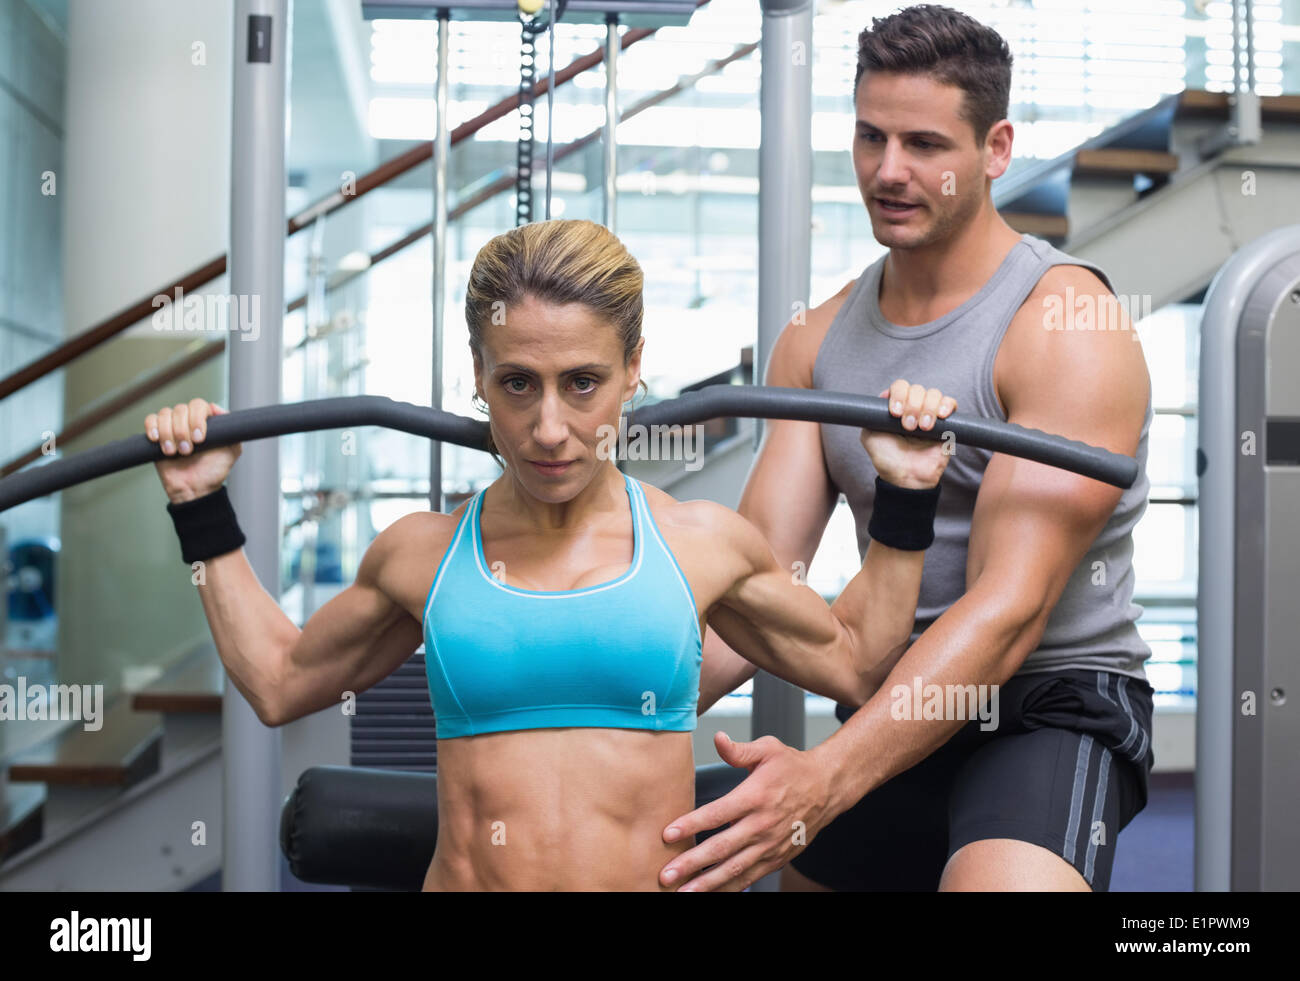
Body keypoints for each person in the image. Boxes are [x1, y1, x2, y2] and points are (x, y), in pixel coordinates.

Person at [144, 217, 958, 891]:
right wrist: (198, 503)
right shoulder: (422, 555)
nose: (548, 431)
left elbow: (856, 661)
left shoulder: (699, 544)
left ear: (634, 368)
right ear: (479, 374)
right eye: (518, 384)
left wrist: (909, 493)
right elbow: (281, 681)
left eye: (581, 382)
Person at [658, 4, 1156, 892]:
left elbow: (1007, 612)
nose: (889, 171)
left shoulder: (1065, 325)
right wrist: (623, 704)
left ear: (994, 149)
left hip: (1047, 700)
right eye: (870, 138)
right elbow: (765, 580)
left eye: (925, 144)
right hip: (886, 692)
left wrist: (826, 776)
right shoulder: (814, 340)